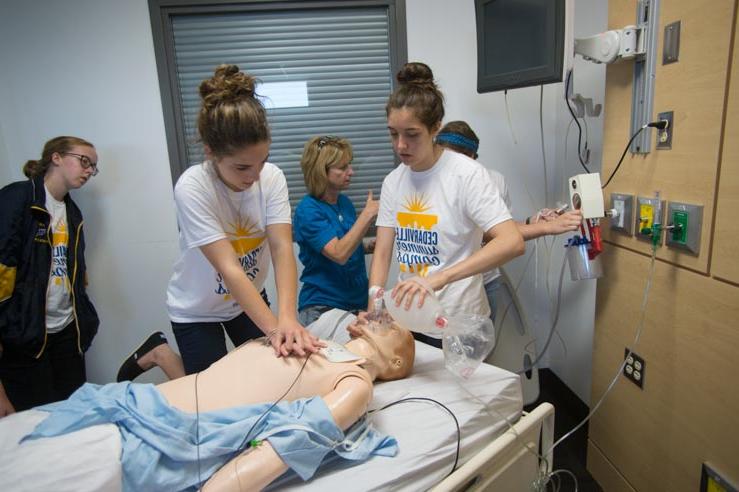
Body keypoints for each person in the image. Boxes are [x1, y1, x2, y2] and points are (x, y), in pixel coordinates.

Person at [1, 321, 415, 491]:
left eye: (391, 324)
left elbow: (288, 444)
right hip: (123, 405)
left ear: (395, 363)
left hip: (140, 448)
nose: (380, 315)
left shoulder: (355, 382)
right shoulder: (307, 336)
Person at [166, 64, 321, 375]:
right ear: (210, 153)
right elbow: (229, 268)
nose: (254, 176)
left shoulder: (272, 177)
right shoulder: (193, 186)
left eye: (261, 162)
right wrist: (276, 331)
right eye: (241, 168)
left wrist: (287, 318)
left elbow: (281, 249)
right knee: (214, 390)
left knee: (271, 373)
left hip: (247, 299)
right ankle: (157, 352)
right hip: (197, 310)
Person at [366, 62, 525, 348]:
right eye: (393, 134)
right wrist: (375, 301)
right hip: (412, 318)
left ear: (435, 128)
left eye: (411, 135)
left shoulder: (466, 174)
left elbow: (512, 241)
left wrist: (439, 279)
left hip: (459, 322)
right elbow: (383, 250)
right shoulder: (393, 181)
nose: (400, 145)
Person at [435, 120, 583, 318]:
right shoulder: (435, 184)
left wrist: (533, 222)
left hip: (486, 280)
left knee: (483, 344)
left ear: (472, 157)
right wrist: (547, 228)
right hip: (451, 286)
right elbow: (489, 235)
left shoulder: (492, 180)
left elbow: (502, 231)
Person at [0, 136, 100, 416]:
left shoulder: (73, 212)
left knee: (73, 413)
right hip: (26, 338)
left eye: (93, 167)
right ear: (56, 157)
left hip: (67, 330)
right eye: (84, 161)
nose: (89, 171)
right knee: (39, 421)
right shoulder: (17, 198)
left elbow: (76, 273)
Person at [293, 136, 379, 326]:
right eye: (342, 168)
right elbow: (339, 253)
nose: (351, 172)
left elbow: (344, 243)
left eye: (350, 165)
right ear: (321, 171)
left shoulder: (344, 203)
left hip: (357, 304)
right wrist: (368, 214)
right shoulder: (308, 210)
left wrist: (366, 247)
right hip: (323, 307)